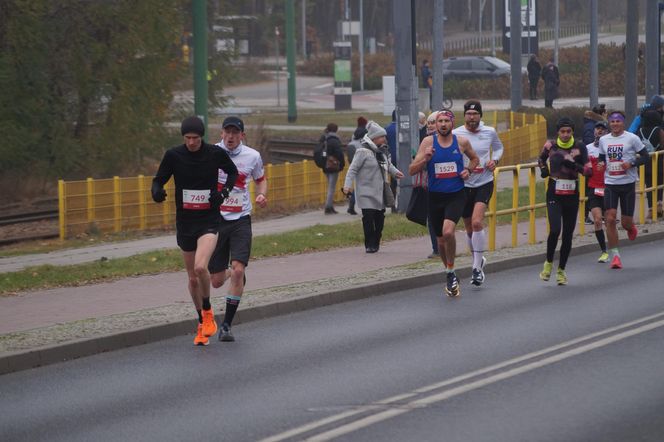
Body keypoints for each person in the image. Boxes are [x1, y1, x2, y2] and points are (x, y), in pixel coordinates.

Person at [151, 116, 238, 346]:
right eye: (188, 138)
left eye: (195, 138)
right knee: (192, 279)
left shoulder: (213, 154)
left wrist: (224, 193)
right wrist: (157, 191)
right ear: (183, 138)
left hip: (209, 220)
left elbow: (232, 173)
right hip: (185, 223)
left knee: (201, 267)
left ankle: (208, 312)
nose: (191, 143)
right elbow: (158, 180)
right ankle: (201, 322)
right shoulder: (173, 156)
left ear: (202, 137)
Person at [207, 116, 267, 342]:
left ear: (242, 135)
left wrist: (262, 193)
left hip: (241, 218)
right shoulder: (211, 153)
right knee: (215, 281)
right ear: (221, 133)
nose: (231, 136)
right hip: (216, 219)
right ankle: (233, 273)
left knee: (240, 269)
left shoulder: (252, 156)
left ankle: (226, 326)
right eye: (227, 132)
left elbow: (261, 179)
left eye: (235, 133)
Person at [408, 110, 479, 297]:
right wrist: (426, 158)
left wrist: (468, 171)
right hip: (435, 197)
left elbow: (475, 159)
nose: (443, 124)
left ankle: (451, 268)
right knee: (440, 241)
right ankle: (450, 272)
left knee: (448, 232)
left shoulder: (461, 142)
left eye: (446, 121)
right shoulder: (427, 143)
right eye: (440, 121)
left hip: (456, 195)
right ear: (435, 125)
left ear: (452, 124)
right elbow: (411, 170)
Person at [453, 100, 504, 287]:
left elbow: (499, 147)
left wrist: (495, 160)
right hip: (464, 184)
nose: (472, 117)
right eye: (469, 114)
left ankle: (476, 269)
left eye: (475, 114)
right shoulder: (456, 133)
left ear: (480, 116)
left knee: (476, 222)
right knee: (468, 227)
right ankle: (479, 259)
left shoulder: (489, 132)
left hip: (484, 181)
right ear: (464, 115)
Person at [537, 117, 590, 285]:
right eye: (562, 131)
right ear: (558, 132)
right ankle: (548, 263)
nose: (566, 135)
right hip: (554, 192)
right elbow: (540, 159)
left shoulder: (580, 147)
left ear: (573, 132)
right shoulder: (550, 145)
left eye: (569, 131)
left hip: (572, 193)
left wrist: (574, 165)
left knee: (567, 234)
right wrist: (544, 170)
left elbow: (589, 171)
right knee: (555, 230)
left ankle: (561, 270)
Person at [597, 111, 650, 269]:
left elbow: (646, 156)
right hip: (610, 184)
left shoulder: (631, 138)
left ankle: (630, 227)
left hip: (627, 184)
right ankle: (616, 256)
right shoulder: (603, 140)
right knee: (611, 219)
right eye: (612, 121)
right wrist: (601, 164)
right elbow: (601, 158)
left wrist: (631, 163)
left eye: (618, 121)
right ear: (609, 123)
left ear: (623, 123)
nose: (615, 124)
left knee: (626, 222)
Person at [343, 121, 404, 253]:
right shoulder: (362, 152)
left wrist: (395, 172)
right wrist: (347, 186)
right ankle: (369, 244)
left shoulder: (382, 151)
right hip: (365, 191)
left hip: (379, 191)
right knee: (368, 217)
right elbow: (352, 170)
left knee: (379, 218)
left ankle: (376, 240)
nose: (385, 139)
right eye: (382, 136)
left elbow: (388, 165)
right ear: (374, 138)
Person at [585, 120, 610, 263]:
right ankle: (604, 251)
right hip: (593, 188)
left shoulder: (608, 147)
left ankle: (613, 248)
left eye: (602, 129)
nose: (599, 131)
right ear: (594, 131)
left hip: (609, 188)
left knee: (609, 222)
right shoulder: (587, 148)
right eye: (597, 128)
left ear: (606, 132)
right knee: (597, 220)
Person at [638, 108, 664, 219]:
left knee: (649, 186)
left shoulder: (639, 131)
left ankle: (650, 209)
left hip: (644, 164)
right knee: (659, 185)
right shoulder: (659, 130)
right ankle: (658, 206)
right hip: (658, 162)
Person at [319, 123, 345, 214]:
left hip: (326, 166)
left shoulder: (324, 139)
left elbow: (322, 153)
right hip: (333, 166)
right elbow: (339, 153)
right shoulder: (334, 140)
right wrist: (342, 164)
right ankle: (328, 207)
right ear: (336, 130)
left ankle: (330, 206)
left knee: (330, 186)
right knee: (331, 187)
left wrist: (323, 163)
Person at [345, 117, 368, 215]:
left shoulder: (354, 133)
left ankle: (351, 205)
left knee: (357, 185)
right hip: (362, 162)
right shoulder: (365, 133)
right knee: (363, 186)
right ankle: (361, 206)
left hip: (353, 161)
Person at [385, 110, 398, 209]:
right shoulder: (406, 127)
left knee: (393, 183)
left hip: (390, 159)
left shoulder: (387, 129)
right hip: (404, 159)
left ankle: (392, 204)